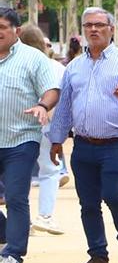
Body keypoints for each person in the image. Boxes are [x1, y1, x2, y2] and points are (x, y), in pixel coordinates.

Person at [47, 7, 118, 263]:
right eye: (88, 25)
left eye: (99, 25)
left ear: (111, 29)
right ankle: (98, 256)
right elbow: (64, 107)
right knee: (88, 203)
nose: (93, 30)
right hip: (83, 145)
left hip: (117, 143)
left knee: (114, 194)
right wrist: (56, 140)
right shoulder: (74, 67)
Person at [0, 7, 65, 263]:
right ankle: (7, 234)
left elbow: (51, 89)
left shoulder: (33, 58)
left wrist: (42, 105)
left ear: (16, 30)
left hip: (20, 139)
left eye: (2, 27)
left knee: (16, 196)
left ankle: (13, 254)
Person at [21, 26, 66, 238]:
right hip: (49, 124)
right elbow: (64, 96)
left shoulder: (17, 63)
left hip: (19, 124)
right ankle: (45, 215)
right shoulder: (55, 67)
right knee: (49, 171)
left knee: (19, 173)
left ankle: (22, 218)